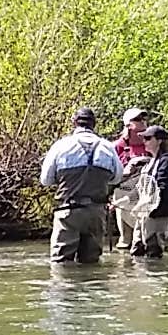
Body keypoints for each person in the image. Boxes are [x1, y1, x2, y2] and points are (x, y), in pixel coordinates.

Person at [39, 105, 122, 264]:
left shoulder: (61, 146)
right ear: (94, 124)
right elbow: (117, 178)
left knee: (61, 263)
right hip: (96, 212)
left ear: (74, 122)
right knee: (91, 263)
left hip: (68, 211)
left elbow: (45, 180)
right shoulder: (107, 147)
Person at [115, 110, 168, 259]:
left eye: (148, 138)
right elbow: (141, 189)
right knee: (136, 253)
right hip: (143, 214)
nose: (145, 142)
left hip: (156, 215)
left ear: (159, 141)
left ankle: (156, 281)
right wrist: (119, 202)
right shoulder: (151, 162)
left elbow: (161, 188)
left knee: (154, 255)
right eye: (144, 138)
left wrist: (145, 206)